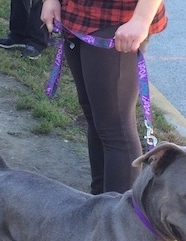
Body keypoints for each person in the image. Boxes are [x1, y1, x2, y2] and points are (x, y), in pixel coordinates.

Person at [41, 0, 167, 194]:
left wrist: (141, 19)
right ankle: (99, 204)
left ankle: (119, 217)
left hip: (118, 18)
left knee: (115, 129)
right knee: (95, 117)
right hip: (76, 12)